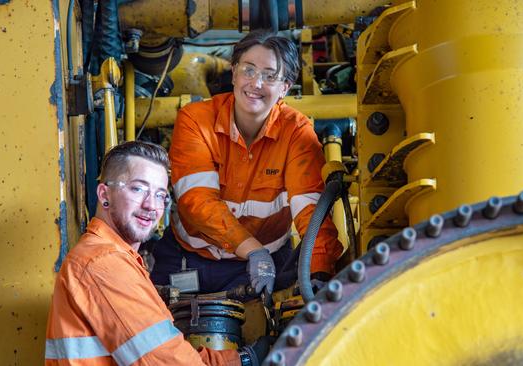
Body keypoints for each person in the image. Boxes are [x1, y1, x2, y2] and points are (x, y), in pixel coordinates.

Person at [151, 29, 344, 296]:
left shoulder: (297, 133)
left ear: (285, 87)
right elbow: (197, 201)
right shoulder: (196, 120)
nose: (256, 83)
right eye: (248, 70)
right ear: (233, 73)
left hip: (270, 264)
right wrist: (253, 249)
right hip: (188, 257)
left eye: (269, 75)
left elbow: (310, 210)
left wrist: (319, 270)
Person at [45, 141, 266, 365]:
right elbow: (166, 362)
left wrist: (241, 358)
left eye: (160, 195)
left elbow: (167, 352)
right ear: (105, 195)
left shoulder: (119, 261)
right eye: (138, 188)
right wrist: (248, 360)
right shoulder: (103, 262)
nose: (151, 205)